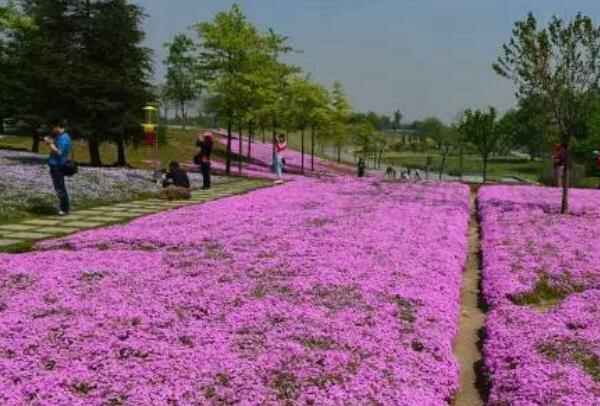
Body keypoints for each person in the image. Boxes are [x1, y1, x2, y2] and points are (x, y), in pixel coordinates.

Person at [45, 120, 72, 216]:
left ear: (58, 127)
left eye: (53, 127)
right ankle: (64, 207)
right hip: (54, 164)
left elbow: (60, 152)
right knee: (59, 187)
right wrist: (50, 142)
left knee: (60, 187)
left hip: (58, 165)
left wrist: (50, 144)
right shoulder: (59, 136)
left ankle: (65, 209)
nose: (52, 129)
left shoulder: (64, 138)